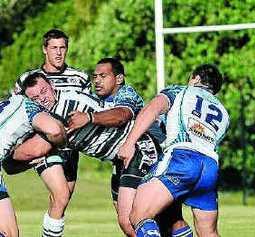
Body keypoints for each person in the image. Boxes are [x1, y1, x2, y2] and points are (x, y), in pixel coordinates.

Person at [21, 60, 192, 237]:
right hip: (121, 157)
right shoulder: (60, 109)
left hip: (142, 147)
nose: (97, 81)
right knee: (154, 220)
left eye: (103, 76)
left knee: (134, 219)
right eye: (95, 76)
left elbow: (122, 115)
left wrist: (89, 117)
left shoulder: (117, 95)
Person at [118, 63, 229, 237]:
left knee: (139, 215)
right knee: (208, 232)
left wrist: (129, 142)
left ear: (196, 78)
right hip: (209, 167)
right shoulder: (223, 112)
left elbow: (152, 108)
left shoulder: (181, 90)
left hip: (182, 157)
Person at [12, 28, 91, 237]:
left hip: (70, 147)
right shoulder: (28, 80)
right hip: (43, 144)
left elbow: (89, 108)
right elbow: (14, 110)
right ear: (44, 49)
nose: (58, 53)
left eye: (62, 48)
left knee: (61, 200)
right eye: (54, 48)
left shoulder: (80, 77)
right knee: (61, 194)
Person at [0, 94, 66, 237]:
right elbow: (54, 130)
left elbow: (9, 167)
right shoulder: (30, 106)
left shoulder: (10, 102)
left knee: (9, 234)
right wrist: (62, 142)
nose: (42, 98)